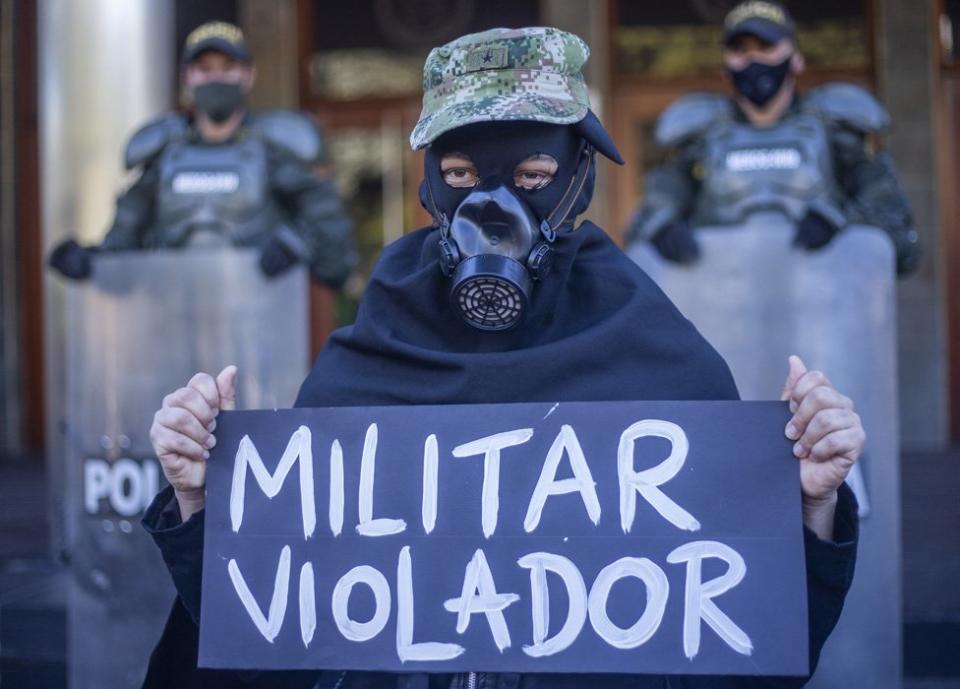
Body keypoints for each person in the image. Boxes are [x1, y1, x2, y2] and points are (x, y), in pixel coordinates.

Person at [141, 27, 863, 689]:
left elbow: (742, 637)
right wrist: (200, 499)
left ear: (580, 175)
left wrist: (808, 506)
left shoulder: (654, 345)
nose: (491, 208)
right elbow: (276, 632)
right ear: (427, 182)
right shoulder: (375, 340)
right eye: (459, 176)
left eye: (530, 176)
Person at [48, 21, 356, 287]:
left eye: (227, 68)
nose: (216, 78)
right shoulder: (163, 158)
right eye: (205, 69)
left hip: (261, 324)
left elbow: (332, 240)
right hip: (175, 321)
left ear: (248, 75)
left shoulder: (276, 151)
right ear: (187, 78)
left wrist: (296, 246)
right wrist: (90, 262)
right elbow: (124, 247)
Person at [625, 0, 920, 276]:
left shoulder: (835, 130)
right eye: (739, 49)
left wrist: (843, 221)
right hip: (724, 307)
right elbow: (643, 226)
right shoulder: (699, 139)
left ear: (796, 59)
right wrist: (661, 229)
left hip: (824, 310)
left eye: (766, 45)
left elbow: (898, 232)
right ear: (725, 66)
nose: (752, 58)